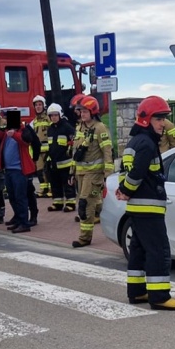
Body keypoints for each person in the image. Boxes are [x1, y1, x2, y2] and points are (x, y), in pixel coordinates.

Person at [114, 95, 175, 310]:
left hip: (137, 207)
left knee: (139, 249)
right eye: (159, 118)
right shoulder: (146, 143)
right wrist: (126, 189)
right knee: (158, 250)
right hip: (148, 206)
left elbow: (124, 171)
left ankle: (137, 292)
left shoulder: (135, 141)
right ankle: (160, 296)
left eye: (163, 118)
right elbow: (137, 173)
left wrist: (123, 190)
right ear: (146, 119)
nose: (163, 123)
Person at [71, 95, 112, 248]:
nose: (82, 114)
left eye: (85, 112)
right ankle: (106, 213)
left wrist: (107, 174)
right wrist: (72, 171)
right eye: (81, 112)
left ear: (93, 112)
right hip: (80, 173)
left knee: (85, 205)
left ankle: (84, 238)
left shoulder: (100, 128)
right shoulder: (80, 127)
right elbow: (75, 150)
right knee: (90, 203)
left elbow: (107, 151)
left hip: (94, 174)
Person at [0, 111, 38, 233]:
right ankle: (18, 220)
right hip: (9, 170)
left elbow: (25, 142)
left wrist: (14, 134)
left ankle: (24, 223)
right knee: (12, 197)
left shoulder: (23, 130)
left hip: (19, 170)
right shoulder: (7, 132)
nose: (5, 120)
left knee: (21, 197)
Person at [43, 104, 76, 212]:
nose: (53, 117)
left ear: (60, 114)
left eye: (55, 115)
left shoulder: (67, 127)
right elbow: (49, 145)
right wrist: (48, 157)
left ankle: (71, 203)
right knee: (55, 183)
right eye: (51, 115)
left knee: (67, 184)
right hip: (54, 162)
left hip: (66, 162)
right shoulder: (50, 129)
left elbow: (73, 142)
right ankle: (57, 203)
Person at [30, 95, 53, 197]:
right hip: (38, 150)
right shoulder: (34, 121)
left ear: (44, 106)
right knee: (39, 171)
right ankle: (43, 189)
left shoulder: (49, 119)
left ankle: (52, 189)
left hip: (48, 149)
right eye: (36, 105)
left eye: (40, 105)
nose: (38, 107)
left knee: (49, 170)